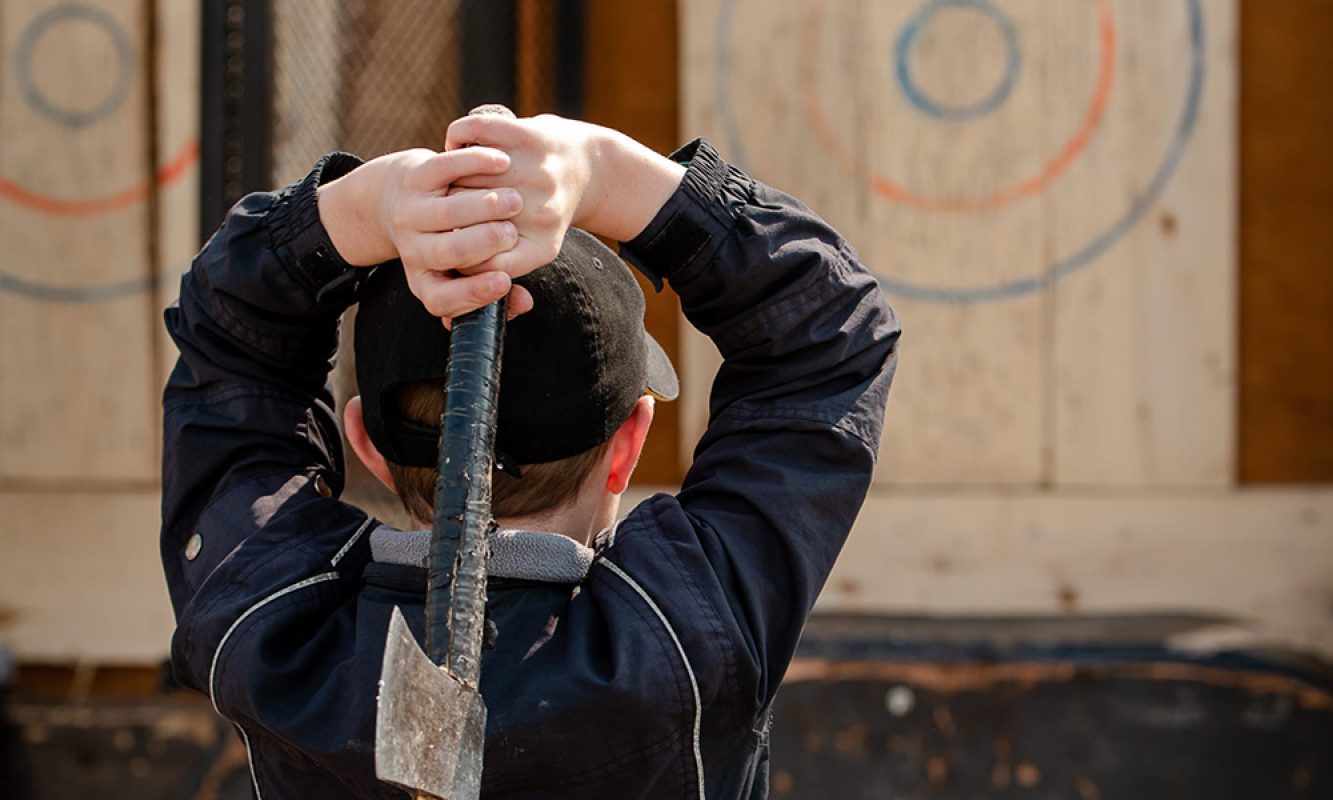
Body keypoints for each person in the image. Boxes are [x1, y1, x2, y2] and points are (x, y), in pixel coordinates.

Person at [161, 114, 900, 798]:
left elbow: (228, 347)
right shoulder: (683, 635)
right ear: (628, 445)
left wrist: (362, 208)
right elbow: (825, 327)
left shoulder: (270, 628)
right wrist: (608, 174)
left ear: (367, 445)